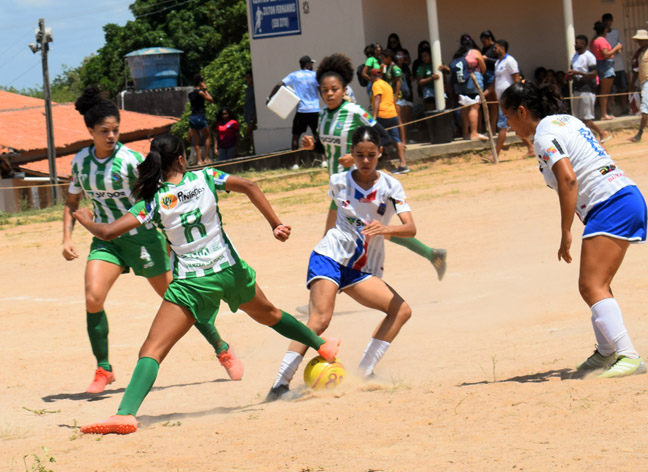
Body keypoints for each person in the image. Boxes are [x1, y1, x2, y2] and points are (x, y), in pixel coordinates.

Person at [76, 134, 341, 434]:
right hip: (230, 271)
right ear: (180, 158)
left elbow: (109, 232)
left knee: (153, 349)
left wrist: (86, 220)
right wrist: (275, 224)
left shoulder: (153, 199)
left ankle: (125, 414)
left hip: (193, 284)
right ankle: (323, 345)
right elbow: (250, 186)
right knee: (271, 315)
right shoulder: (207, 176)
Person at [63, 87, 237, 395]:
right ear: (90, 131)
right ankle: (103, 368)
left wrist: (171, 235)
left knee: (180, 300)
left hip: (143, 240)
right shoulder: (80, 163)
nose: (112, 135)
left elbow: (160, 196)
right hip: (108, 243)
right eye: (105, 131)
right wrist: (67, 238)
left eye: (116, 130)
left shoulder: (130, 160)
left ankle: (221, 347)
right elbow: (72, 202)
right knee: (93, 297)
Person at [500, 81, 648, 379]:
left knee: (590, 286)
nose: (508, 125)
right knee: (598, 284)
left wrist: (565, 230)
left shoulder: (543, 135)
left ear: (521, 110)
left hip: (612, 203)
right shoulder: (566, 120)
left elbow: (568, 180)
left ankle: (628, 355)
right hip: (623, 196)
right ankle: (607, 351)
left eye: (508, 117)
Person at [267, 126, 415, 401]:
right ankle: (279, 386)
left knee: (401, 310)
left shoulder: (392, 186)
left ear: (381, 152)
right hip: (329, 257)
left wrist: (387, 229)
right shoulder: (339, 181)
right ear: (353, 154)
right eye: (360, 155)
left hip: (359, 269)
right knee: (320, 320)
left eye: (372, 154)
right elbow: (335, 212)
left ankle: (364, 372)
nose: (366, 161)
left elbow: (411, 229)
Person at [303, 53, 447, 279]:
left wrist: (356, 158)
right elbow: (325, 148)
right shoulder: (322, 116)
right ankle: (431, 254)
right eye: (324, 90)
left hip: (358, 186)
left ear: (344, 90)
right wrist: (312, 146)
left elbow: (383, 138)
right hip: (340, 187)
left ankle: (326, 289)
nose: (329, 94)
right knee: (365, 233)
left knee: (337, 237)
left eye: (334, 89)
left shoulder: (354, 112)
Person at [268, 56, 321, 151]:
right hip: (315, 109)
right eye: (311, 63)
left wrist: (270, 97)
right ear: (308, 65)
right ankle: (323, 160)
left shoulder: (294, 75)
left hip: (302, 110)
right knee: (317, 134)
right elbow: (321, 90)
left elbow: (279, 84)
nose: (312, 65)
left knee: (296, 136)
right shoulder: (315, 75)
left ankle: (295, 163)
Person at [492, 40, 534, 156]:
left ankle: (495, 154)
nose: (494, 49)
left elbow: (516, 78)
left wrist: (519, 95)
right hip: (502, 100)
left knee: (502, 127)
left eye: (496, 47)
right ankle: (531, 149)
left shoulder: (510, 61)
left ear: (502, 48)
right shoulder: (497, 63)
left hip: (509, 100)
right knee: (513, 125)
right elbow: (496, 81)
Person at [568, 34, 611, 142]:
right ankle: (588, 139)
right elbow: (573, 71)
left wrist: (578, 72)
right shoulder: (573, 57)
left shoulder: (589, 56)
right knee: (578, 120)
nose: (575, 44)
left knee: (586, 118)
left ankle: (602, 132)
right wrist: (570, 76)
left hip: (587, 89)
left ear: (583, 44)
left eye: (577, 42)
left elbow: (594, 74)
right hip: (577, 89)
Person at [370, 67, 409, 173]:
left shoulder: (376, 85)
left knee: (375, 138)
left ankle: (374, 164)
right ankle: (403, 164)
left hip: (382, 115)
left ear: (372, 77)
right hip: (392, 114)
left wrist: (374, 115)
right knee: (396, 139)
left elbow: (377, 98)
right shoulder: (386, 84)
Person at [590, 21, 622, 121]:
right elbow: (606, 54)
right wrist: (616, 48)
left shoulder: (593, 41)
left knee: (602, 91)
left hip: (599, 65)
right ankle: (604, 114)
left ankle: (604, 113)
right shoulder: (602, 40)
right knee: (605, 92)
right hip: (606, 66)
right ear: (604, 30)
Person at [603, 13, 629, 116]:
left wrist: (618, 49)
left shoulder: (616, 32)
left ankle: (624, 107)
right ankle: (610, 110)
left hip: (619, 65)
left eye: (610, 21)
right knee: (609, 90)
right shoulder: (600, 35)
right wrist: (614, 49)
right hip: (608, 66)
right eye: (606, 21)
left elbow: (620, 45)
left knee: (622, 87)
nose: (608, 23)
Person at [188, 74, 214, 165]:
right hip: (200, 116)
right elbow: (211, 100)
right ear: (200, 82)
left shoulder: (190, 94)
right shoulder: (201, 92)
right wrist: (205, 89)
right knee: (207, 136)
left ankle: (199, 160)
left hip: (192, 117)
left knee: (196, 139)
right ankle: (206, 158)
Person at [394, 50, 414, 144]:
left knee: (405, 120)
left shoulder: (405, 67)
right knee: (399, 120)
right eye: (398, 56)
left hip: (406, 95)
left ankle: (405, 138)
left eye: (402, 56)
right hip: (397, 96)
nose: (401, 58)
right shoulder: (394, 68)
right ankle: (400, 141)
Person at [243, 69, 257, 154]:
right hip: (248, 113)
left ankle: (254, 148)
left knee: (250, 130)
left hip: (253, 113)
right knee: (250, 132)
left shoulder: (254, 88)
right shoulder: (248, 88)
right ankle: (253, 148)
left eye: (249, 77)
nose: (247, 80)